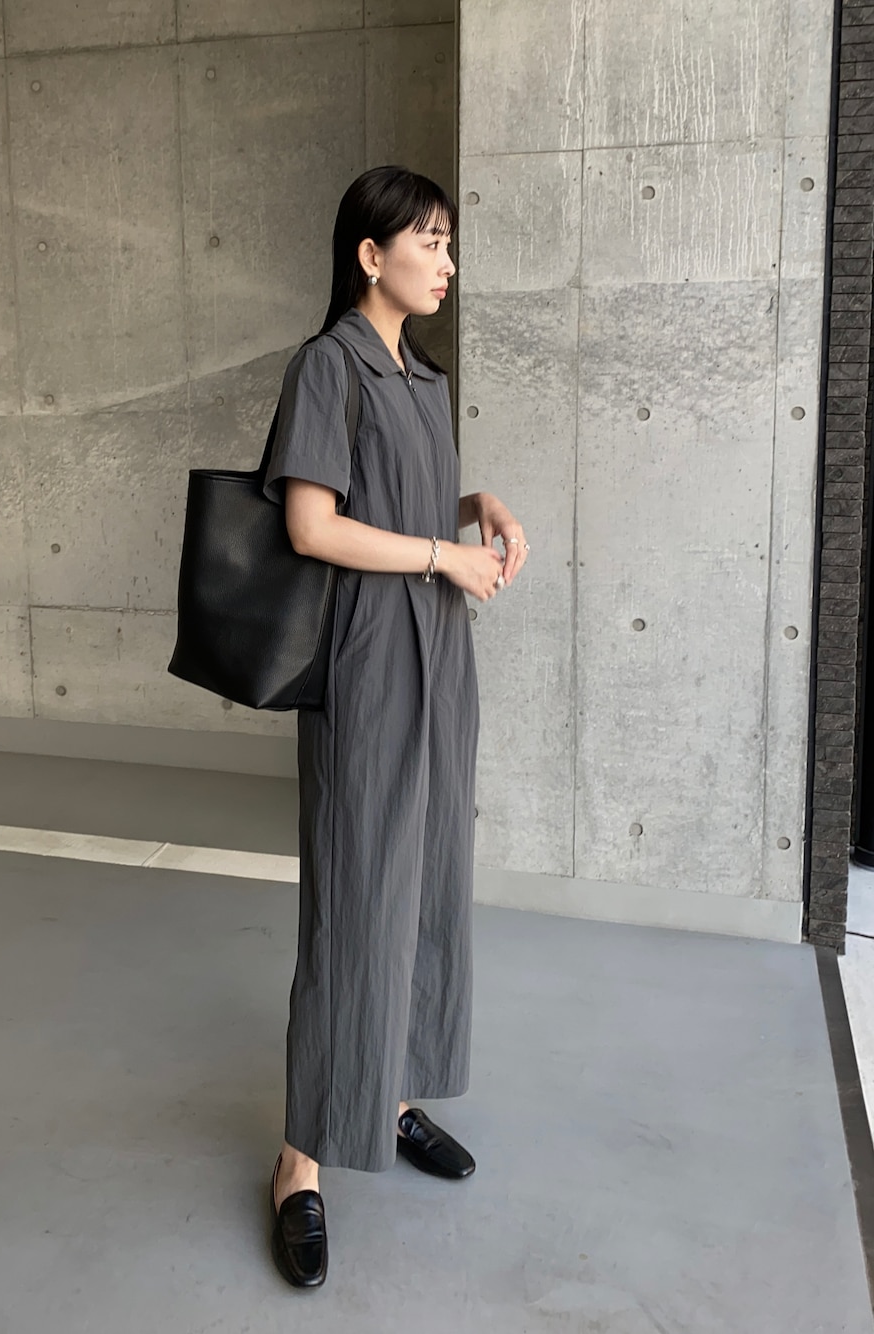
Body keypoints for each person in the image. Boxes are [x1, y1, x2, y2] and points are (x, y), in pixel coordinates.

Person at [261, 165, 530, 1288]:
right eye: (430, 241)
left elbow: (403, 496)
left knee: (426, 882)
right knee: (356, 898)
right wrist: (442, 557)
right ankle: (300, 1160)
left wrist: (477, 506)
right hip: (371, 658)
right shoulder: (330, 365)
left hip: (439, 657)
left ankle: (396, 1094)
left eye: (449, 243)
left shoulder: (422, 376)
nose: (447, 263)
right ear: (371, 255)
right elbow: (313, 524)